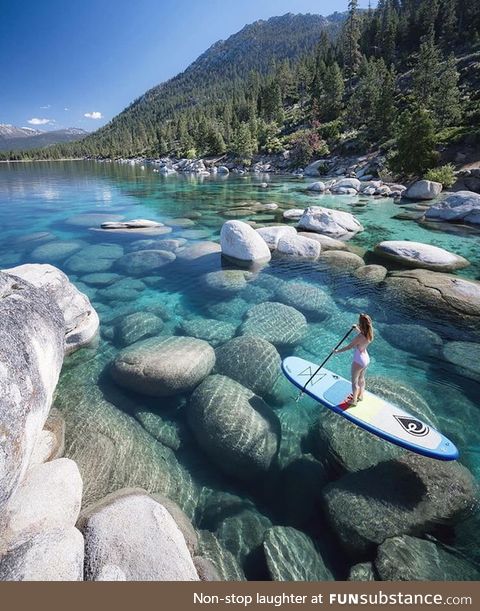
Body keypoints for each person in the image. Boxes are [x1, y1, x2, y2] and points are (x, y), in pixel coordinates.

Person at [334, 313, 374, 406]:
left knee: (354, 381)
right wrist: (357, 329)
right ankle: (361, 396)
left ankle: (354, 401)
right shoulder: (369, 333)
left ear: (361, 324)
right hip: (366, 359)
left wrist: (337, 351)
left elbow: (349, 347)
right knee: (361, 378)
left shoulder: (360, 337)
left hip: (359, 361)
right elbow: (362, 335)